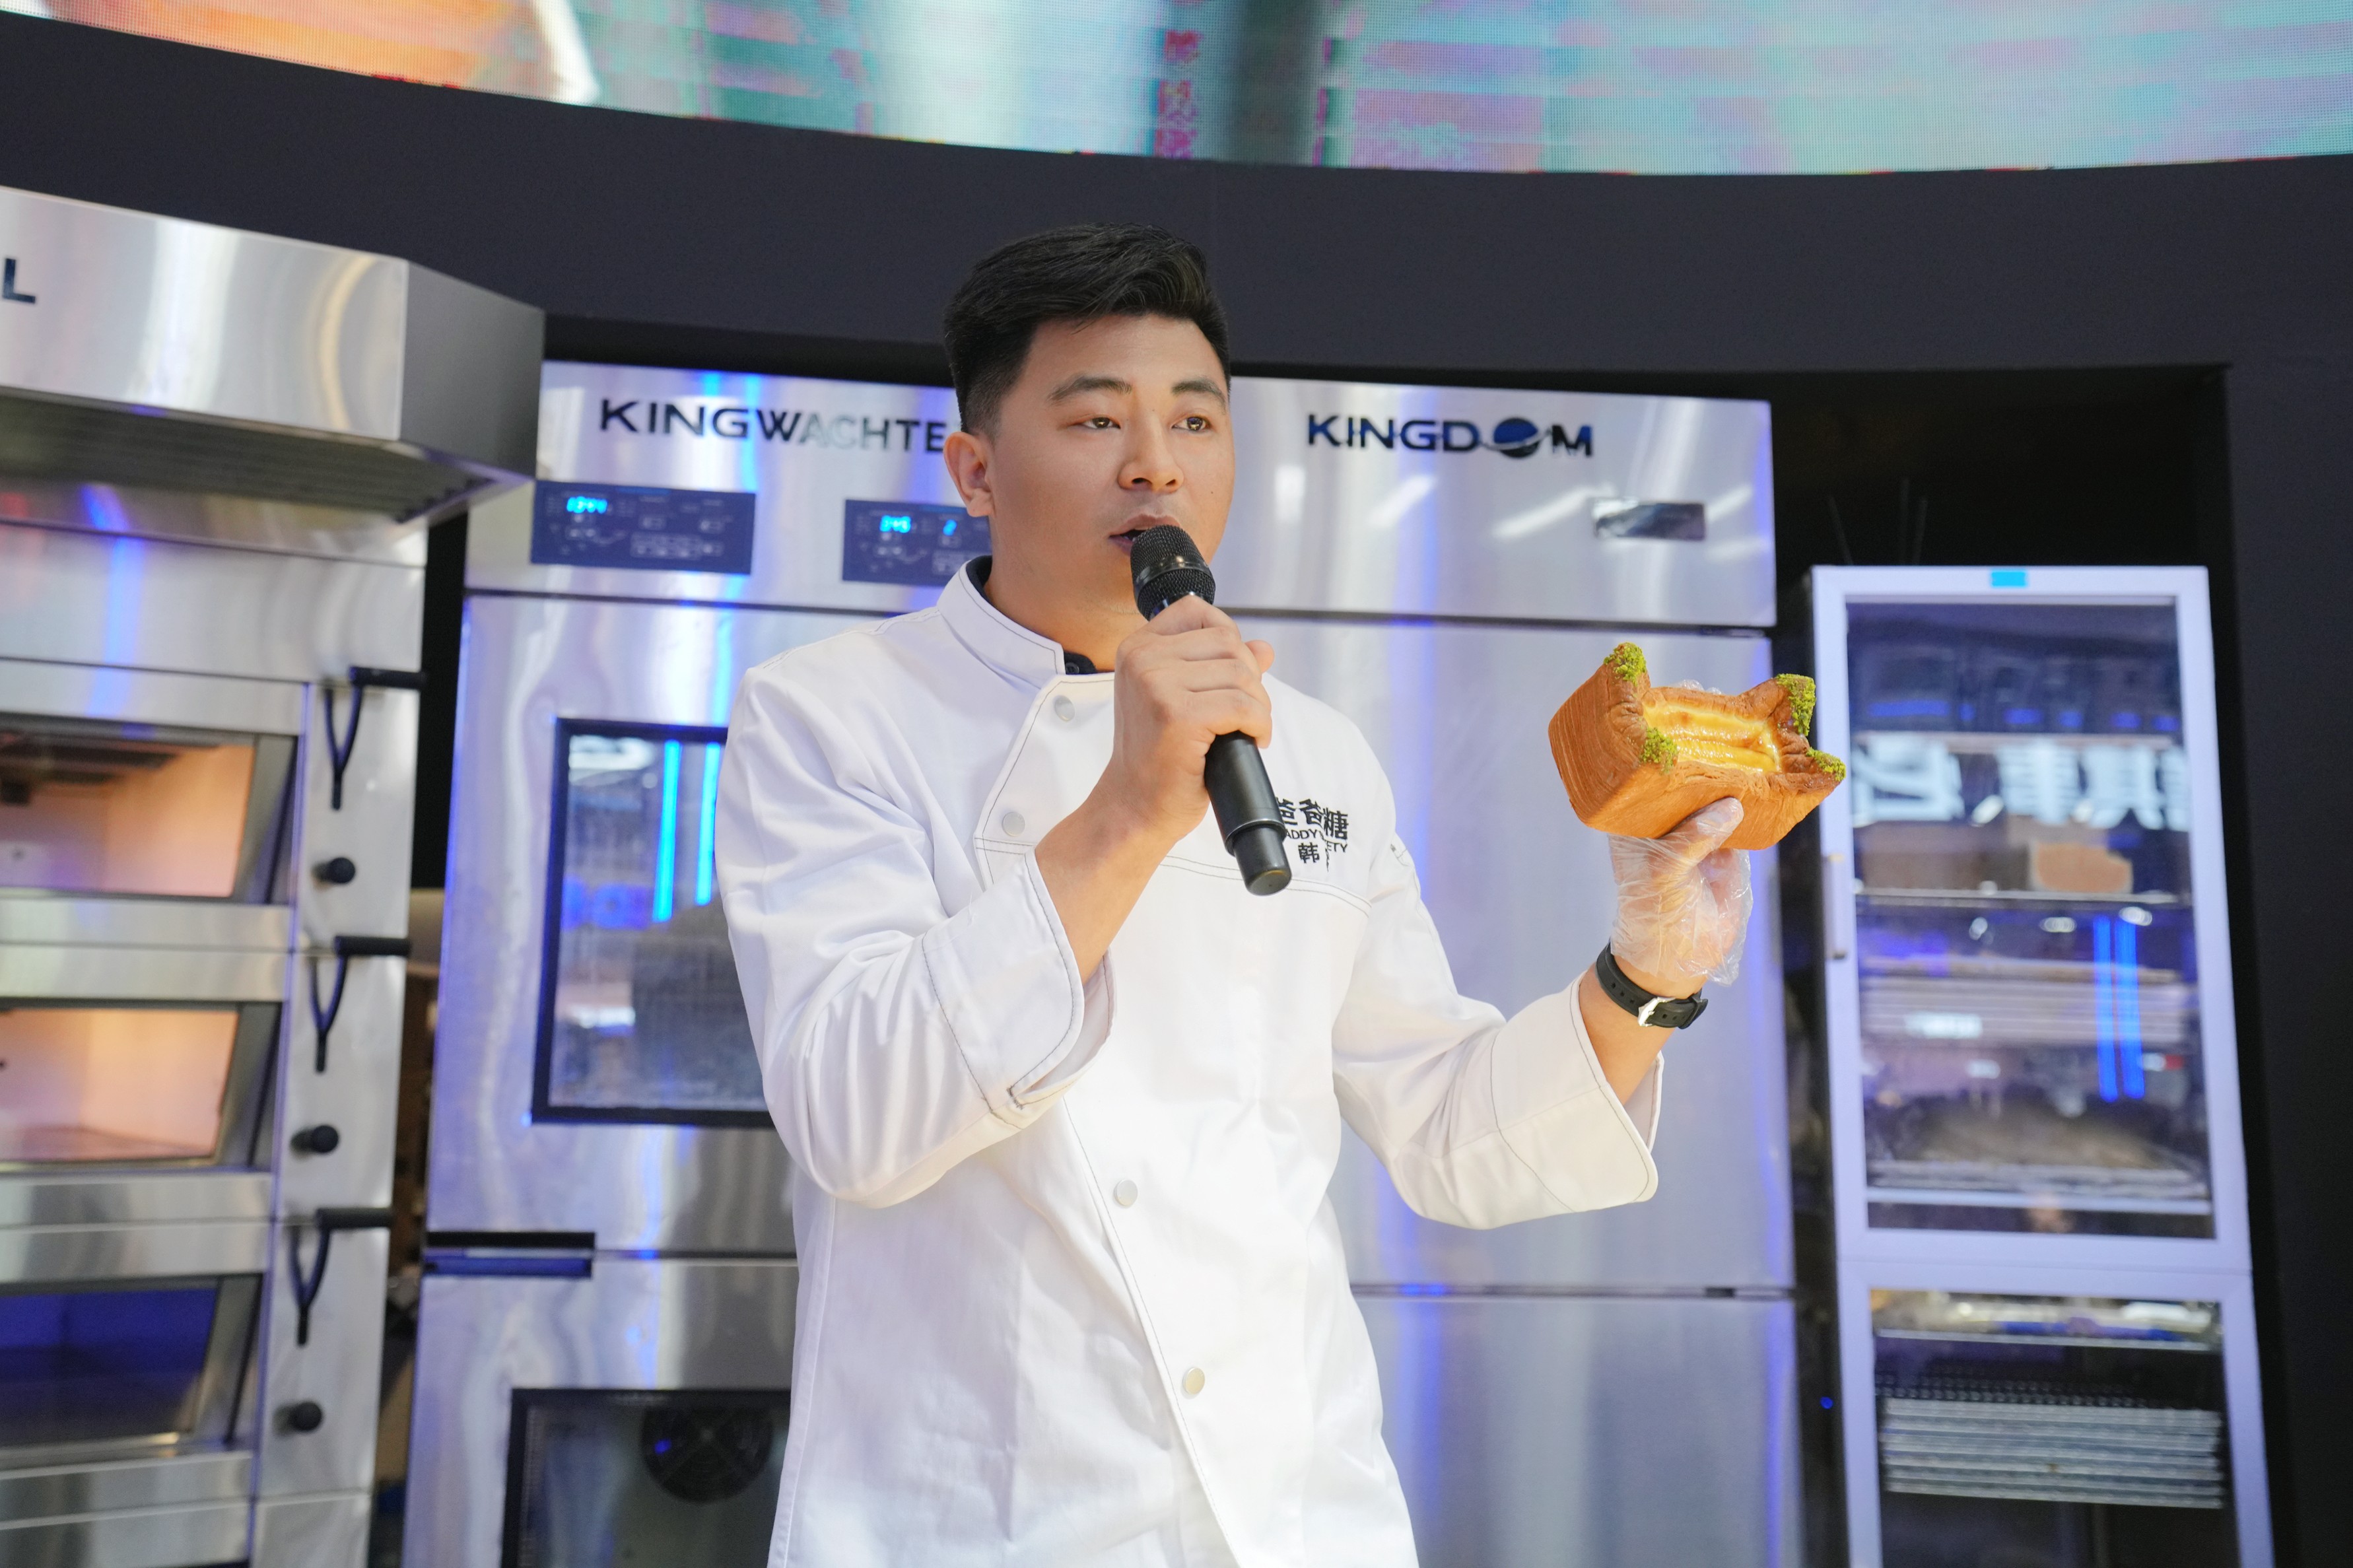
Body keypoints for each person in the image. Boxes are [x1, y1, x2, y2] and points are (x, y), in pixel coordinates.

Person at [714, 223, 1752, 1567]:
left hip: (1294, 1512)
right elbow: (855, 1119)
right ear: (975, 470)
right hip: (980, 1514)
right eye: (1096, 419)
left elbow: (1448, 1129)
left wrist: (1648, 974)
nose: (1156, 461)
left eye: (1196, 421)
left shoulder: (1313, 750)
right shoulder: (831, 715)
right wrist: (1131, 806)